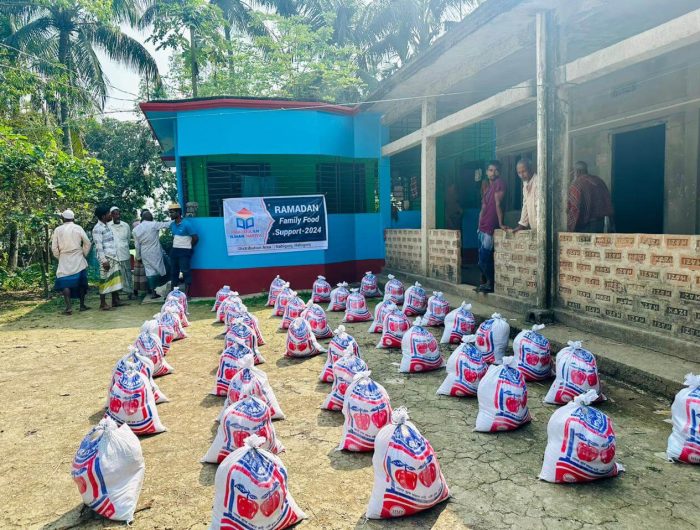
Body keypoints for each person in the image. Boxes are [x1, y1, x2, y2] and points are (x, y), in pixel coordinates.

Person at [51, 209, 91, 314]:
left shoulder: (58, 230)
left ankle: (69, 307)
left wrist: (59, 257)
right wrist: (83, 254)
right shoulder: (78, 228)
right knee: (81, 283)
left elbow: (54, 247)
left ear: (63, 219)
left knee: (65, 282)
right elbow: (87, 242)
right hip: (78, 257)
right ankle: (82, 305)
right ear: (73, 218)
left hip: (64, 257)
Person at [476, 160, 506, 293]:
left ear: (499, 172)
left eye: (495, 170)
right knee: (481, 258)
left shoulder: (499, 184)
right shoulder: (487, 188)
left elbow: (498, 204)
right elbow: (482, 208)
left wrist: (500, 223)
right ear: (487, 172)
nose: (493, 173)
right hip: (482, 227)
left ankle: (490, 284)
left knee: (484, 258)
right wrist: (478, 225)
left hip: (490, 227)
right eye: (490, 170)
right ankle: (485, 283)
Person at [567, 161, 614, 233]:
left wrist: (569, 229)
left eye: (572, 171)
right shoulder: (599, 181)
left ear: (577, 171)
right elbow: (608, 203)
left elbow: (574, 209)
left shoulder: (576, 185)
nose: (571, 174)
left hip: (585, 226)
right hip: (601, 224)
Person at [92, 205, 124, 310]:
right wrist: (104, 260)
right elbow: (99, 246)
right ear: (103, 216)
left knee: (114, 279)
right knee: (104, 280)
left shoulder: (107, 226)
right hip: (106, 258)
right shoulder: (97, 228)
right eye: (108, 214)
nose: (110, 215)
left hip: (113, 257)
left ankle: (115, 300)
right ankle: (103, 303)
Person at [133, 210, 171, 298]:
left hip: (144, 252)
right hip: (155, 251)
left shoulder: (136, 229)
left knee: (150, 272)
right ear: (151, 218)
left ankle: (153, 292)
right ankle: (162, 289)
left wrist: (138, 257)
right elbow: (167, 224)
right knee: (160, 270)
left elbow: (137, 245)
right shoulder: (154, 224)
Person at [168, 202, 198, 295]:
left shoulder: (186, 224)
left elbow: (195, 238)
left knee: (185, 271)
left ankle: (187, 294)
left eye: (172, 212)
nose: (170, 214)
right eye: (170, 212)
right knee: (173, 272)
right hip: (175, 251)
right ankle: (173, 293)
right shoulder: (172, 225)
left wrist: (189, 247)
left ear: (178, 212)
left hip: (185, 251)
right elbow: (174, 237)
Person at [107, 206, 134, 300]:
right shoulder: (108, 226)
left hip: (124, 253)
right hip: (113, 255)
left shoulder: (125, 225)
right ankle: (117, 296)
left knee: (127, 273)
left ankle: (130, 292)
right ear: (111, 215)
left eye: (118, 214)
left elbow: (128, 238)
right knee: (116, 275)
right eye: (114, 214)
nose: (117, 216)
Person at [511, 158, 538, 233]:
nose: (521, 175)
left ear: (530, 169)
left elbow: (540, 207)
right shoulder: (525, 184)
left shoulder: (538, 182)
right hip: (534, 227)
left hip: (542, 226)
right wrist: (521, 225)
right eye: (519, 173)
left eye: (524, 171)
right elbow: (525, 205)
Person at [131, 216, 148, 298]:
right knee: (140, 273)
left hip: (142, 253)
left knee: (140, 274)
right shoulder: (140, 227)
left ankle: (138, 291)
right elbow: (137, 245)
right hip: (141, 253)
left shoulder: (137, 227)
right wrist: (138, 256)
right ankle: (140, 291)